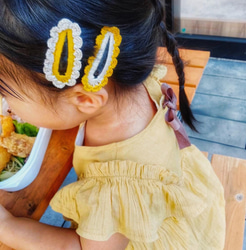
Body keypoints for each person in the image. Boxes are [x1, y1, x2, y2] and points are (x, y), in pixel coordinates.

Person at [0, 0, 225, 249]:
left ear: (85, 100)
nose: (6, 104)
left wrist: (7, 226)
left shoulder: (118, 183)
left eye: (7, 93)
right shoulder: (125, 80)